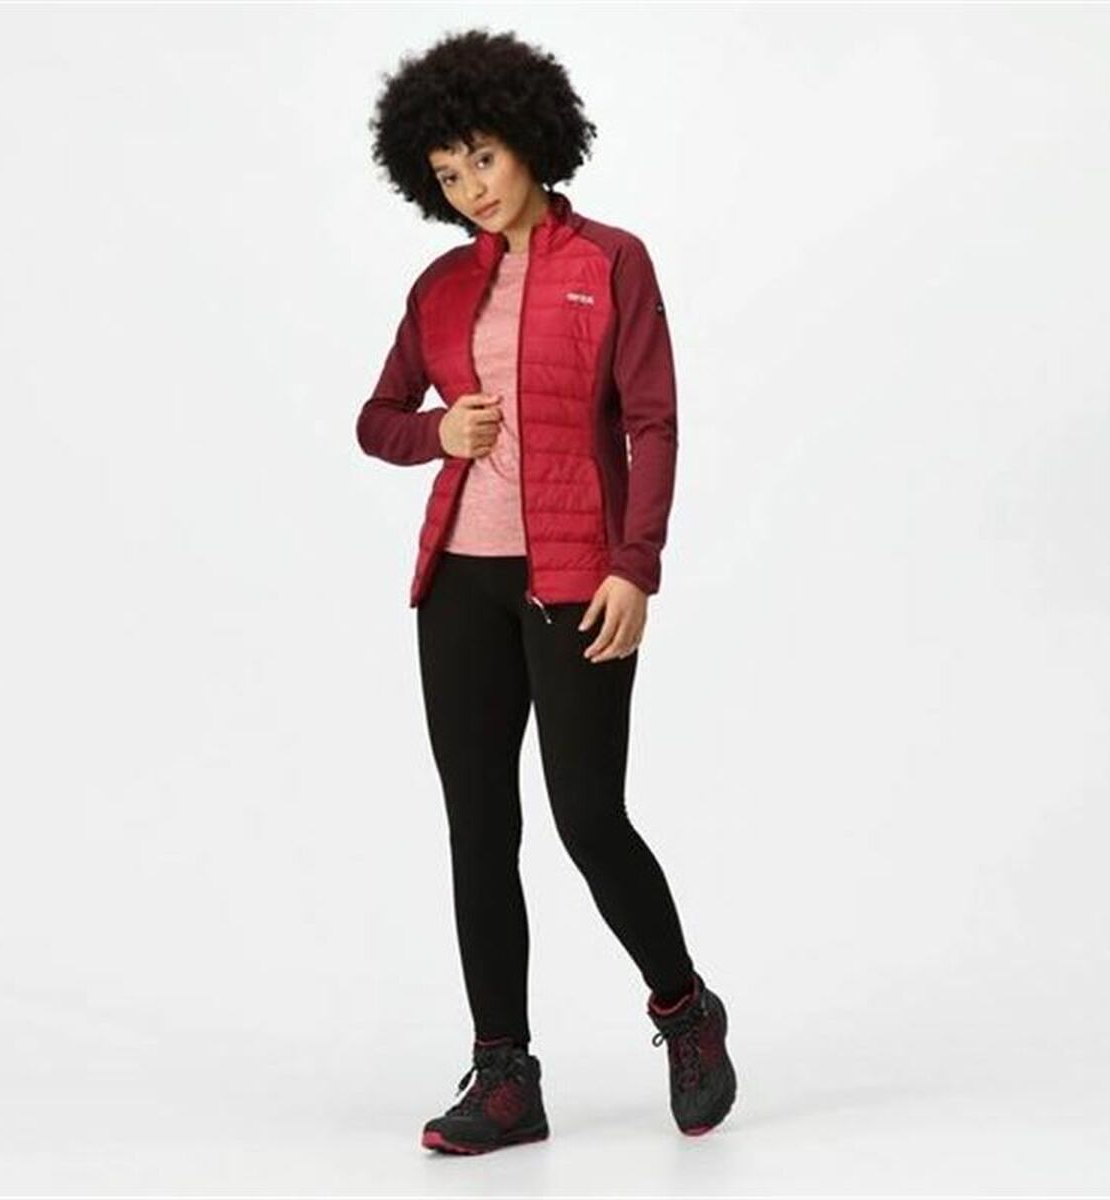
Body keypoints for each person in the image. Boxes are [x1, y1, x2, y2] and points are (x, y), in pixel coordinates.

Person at [357, 27, 737, 1154]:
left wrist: (635, 564)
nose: (471, 186)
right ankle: (504, 1075)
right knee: (480, 829)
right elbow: (377, 418)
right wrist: (438, 432)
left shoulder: (612, 261)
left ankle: (685, 1009)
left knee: (588, 817)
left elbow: (655, 423)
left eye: (482, 156)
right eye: (446, 173)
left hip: (578, 581)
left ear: (529, 137)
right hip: (459, 587)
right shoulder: (438, 290)